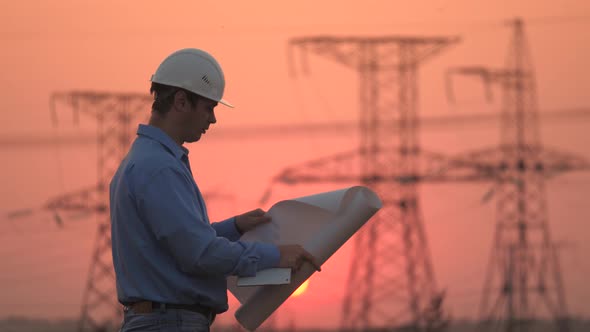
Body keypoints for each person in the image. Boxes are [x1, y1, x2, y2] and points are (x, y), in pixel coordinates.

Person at [110, 48, 321, 332]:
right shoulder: (159, 168)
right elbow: (200, 254)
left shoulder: (144, 161)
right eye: (209, 108)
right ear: (182, 101)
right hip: (170, 323)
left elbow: (176, 244)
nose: (213, 119)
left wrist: (234, 227)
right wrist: (275, 256)